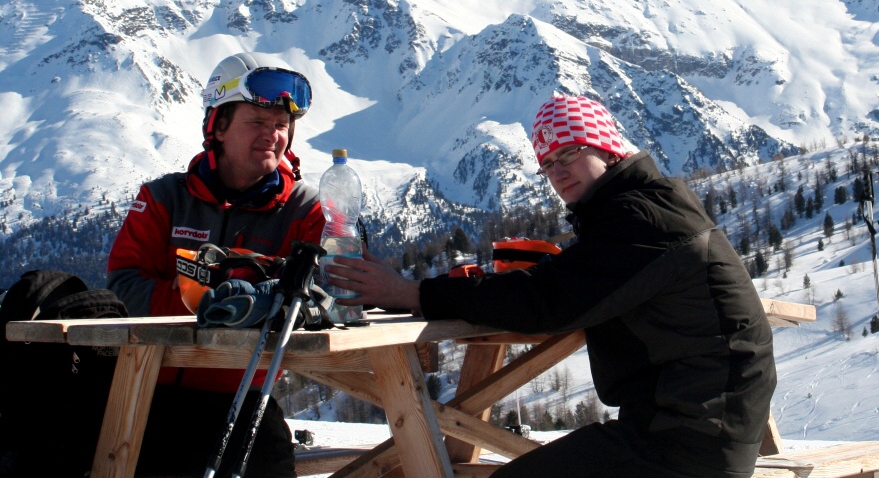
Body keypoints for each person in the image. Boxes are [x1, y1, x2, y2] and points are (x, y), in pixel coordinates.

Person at [329, 93, 777, 478]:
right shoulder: (643, 207)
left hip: (692, 440)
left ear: (607, 148)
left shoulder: (642, 218)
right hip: (701, 425)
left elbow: (547, 302)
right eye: (547, 165)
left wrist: (412, 294)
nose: (558, 172)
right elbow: (576, 286)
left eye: (570, 154)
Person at [106, 52, 325, 478]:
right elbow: (121, 287)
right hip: (148, 390)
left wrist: (252, 296)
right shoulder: (164, 198)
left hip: (242, 399)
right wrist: (203, 299)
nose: (272, 136)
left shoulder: (305, 209)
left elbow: (321, 294)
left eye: (281, 126)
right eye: (257, 123)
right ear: (218, 126)